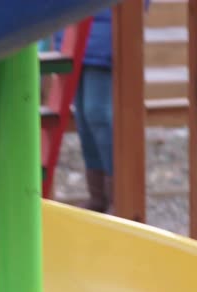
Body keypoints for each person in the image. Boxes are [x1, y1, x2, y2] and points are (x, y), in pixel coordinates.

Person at [53, 2, 149, 214]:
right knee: (84, 117)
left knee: (97, 112)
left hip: (103, 30)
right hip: (77, 29)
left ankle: (119, 194)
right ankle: (98, 194)